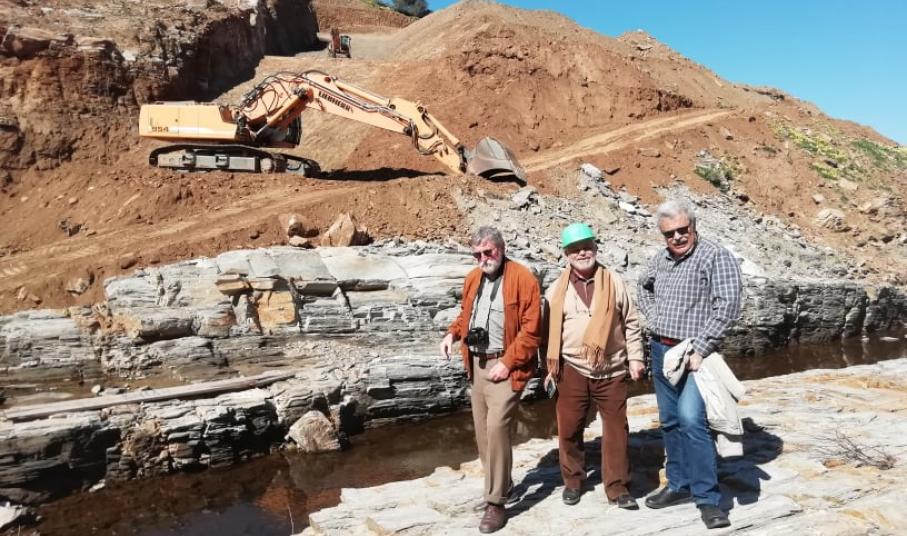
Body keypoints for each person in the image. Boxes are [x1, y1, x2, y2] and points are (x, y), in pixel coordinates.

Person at [636, 198, 742, 530]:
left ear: (693, 226)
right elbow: (642, 287)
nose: (678, 237)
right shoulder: (661, 259)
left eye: (683, 230)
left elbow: (728, 306)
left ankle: (708, 499)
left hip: (695, 356)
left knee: (692, 420)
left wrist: (702, 347)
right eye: (670, 233)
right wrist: (654, 317)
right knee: (670, 421)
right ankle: (679, 484)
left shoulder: (715, 256)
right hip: (661, 350)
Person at [440, 226, 541, 534]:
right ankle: (501, 483)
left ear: (501, 248)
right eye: (477, 255)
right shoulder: (473, 278)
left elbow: (532, 332)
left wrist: (508, 363)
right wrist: (451, 334)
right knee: (483, 434)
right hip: (477, 365)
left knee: (497, 429)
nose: (483, 259)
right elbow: (465, 315)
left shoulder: (523, 279)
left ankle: (496, 503)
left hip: (506, 365)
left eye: (488, 252)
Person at [543, 223, 646, 509]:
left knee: (616, 430)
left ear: (595, 248)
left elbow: (631, 322)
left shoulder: (614, 282)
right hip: (572, 368)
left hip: (611, 368)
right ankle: (573, 481)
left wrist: (636, 358)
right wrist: (549, 369)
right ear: (566, 255)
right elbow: (547, 331)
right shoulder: (556, 289)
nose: (582, 253)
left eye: (586, 247)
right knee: (569, 428)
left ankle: (618, 487)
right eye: (575, 249)